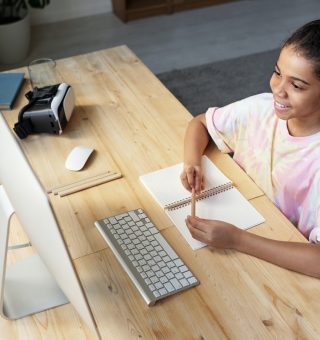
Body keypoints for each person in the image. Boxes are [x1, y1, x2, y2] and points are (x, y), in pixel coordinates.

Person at [181, 19, 320, 278]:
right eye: (278, 73)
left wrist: (237, 240)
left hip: (281, 262)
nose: (278, 90)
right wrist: (192, 163)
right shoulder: (261, 108)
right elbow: (200, 123)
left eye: (297, 85)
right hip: (239, 224)